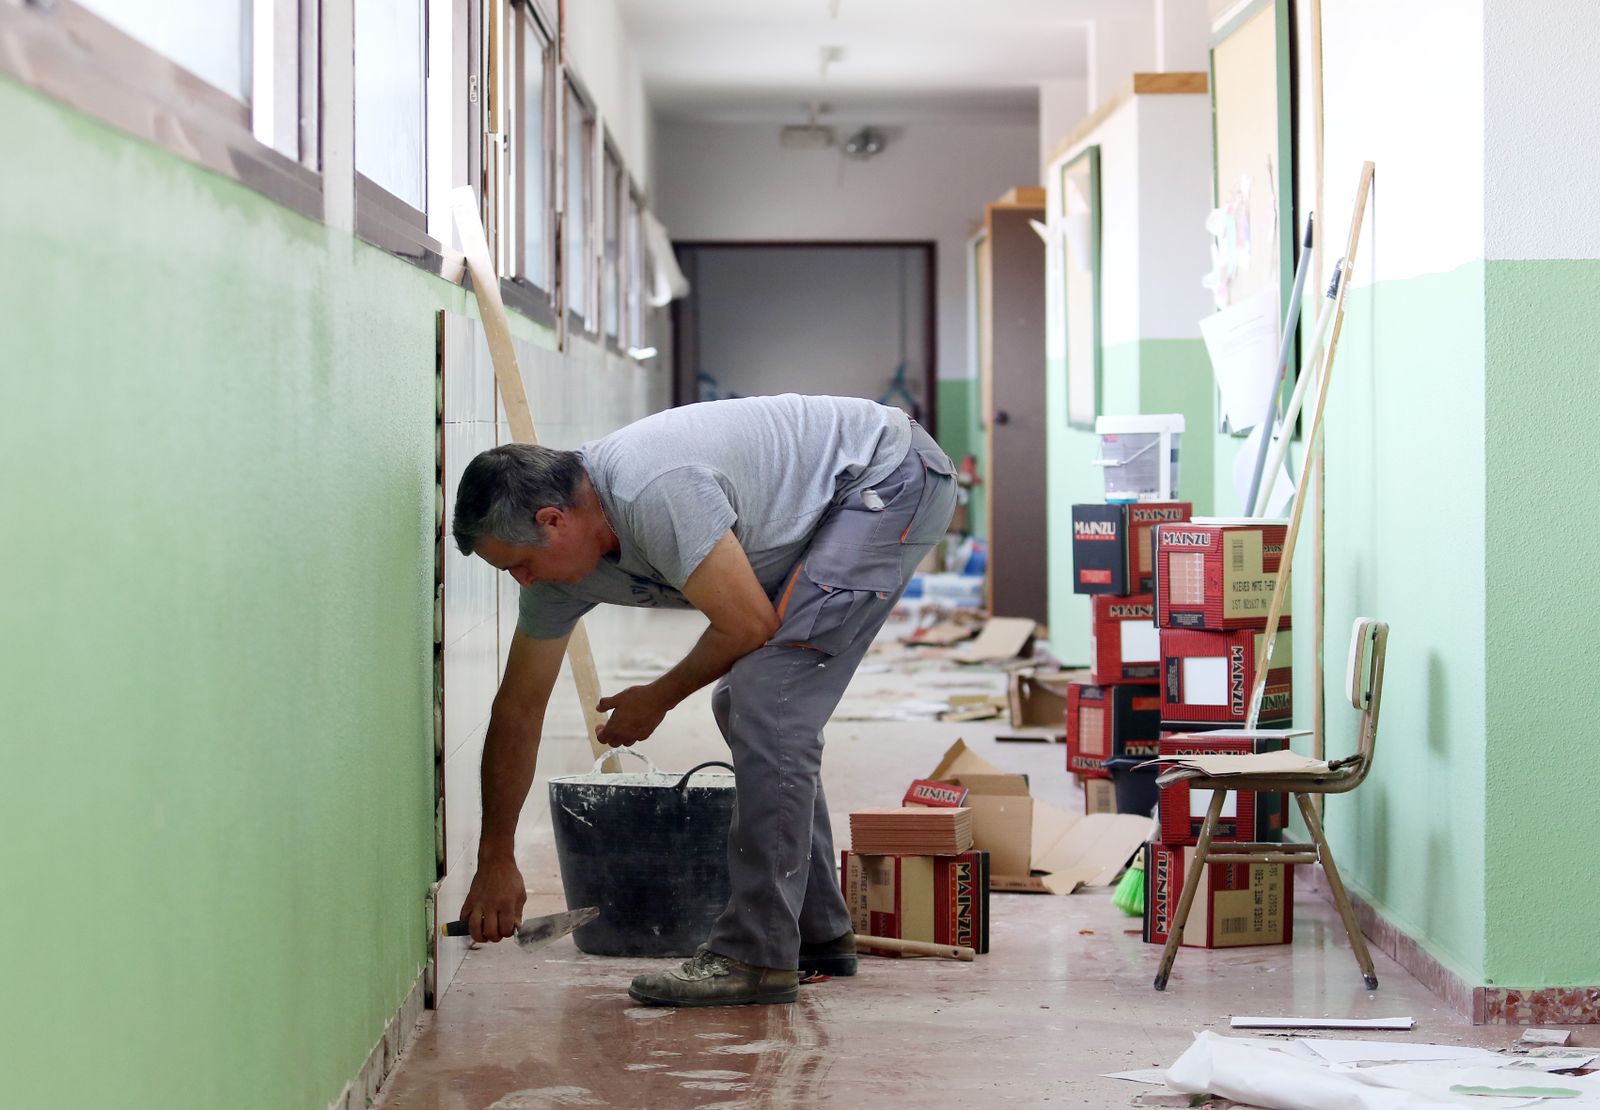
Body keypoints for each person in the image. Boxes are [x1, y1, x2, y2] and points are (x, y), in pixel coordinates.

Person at [450, 392, 957, 1007]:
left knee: (765, 698)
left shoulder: (652, 491)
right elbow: (518, 710)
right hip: (829, 505)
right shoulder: (558, 576)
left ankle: (755, 954)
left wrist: (656, 698)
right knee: (749, 702)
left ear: (554, 520)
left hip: (885, 475)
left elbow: (745, 626)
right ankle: (816, 931)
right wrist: (495, 855)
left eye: (521, 565)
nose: (522, 583)